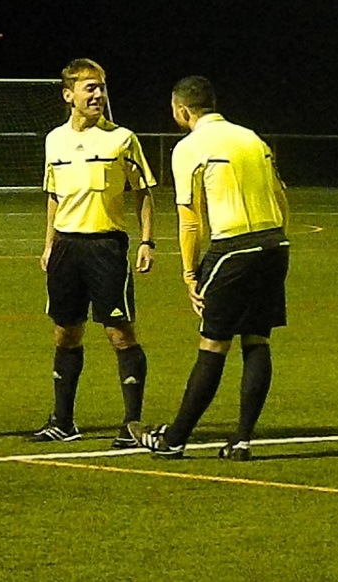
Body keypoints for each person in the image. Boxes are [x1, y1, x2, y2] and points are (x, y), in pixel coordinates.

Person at [128, 75, 290, 460]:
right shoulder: (252, 138)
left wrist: (189, 273)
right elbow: (281, 197)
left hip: (234, 248)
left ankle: (174, 439)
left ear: (182, 110)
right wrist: (278, 241)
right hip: (274, 244)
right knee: (257, 339)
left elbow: (190, 220)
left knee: (213, 343)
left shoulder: (189, 147)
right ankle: (242, 441)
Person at [34, 58, 157, 448]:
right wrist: (49, 243)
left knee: (119, 333)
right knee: (65, 333)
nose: (98, 94)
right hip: (66, 248)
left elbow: (143, 191)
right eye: (90, 88)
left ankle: (132, 424)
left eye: (101, 87)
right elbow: (54, 195)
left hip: (106, 247)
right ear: (68, 94)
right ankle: (62, 421)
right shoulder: (54, 140)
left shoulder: (122, 139)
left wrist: (147, 241)